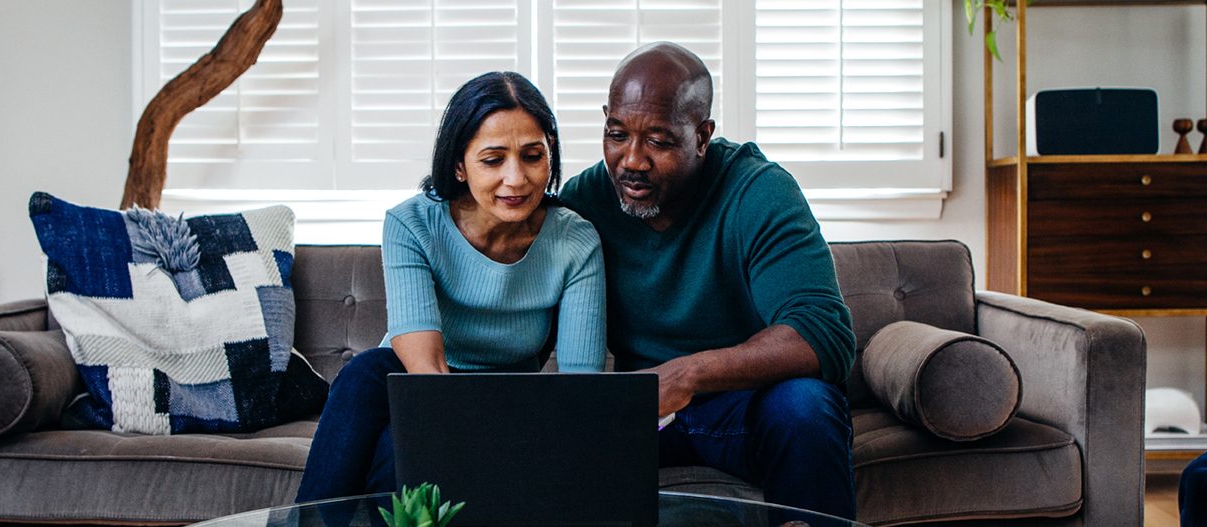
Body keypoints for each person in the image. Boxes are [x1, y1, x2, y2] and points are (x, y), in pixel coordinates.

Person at [558, 42, 858, 519]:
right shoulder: (584, 201)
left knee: (806, 405)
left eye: (658, 141)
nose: (631, 160)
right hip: (641, 415)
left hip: (743, 408)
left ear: (702, 136)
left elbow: (824, 336)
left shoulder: (757, 191)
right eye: (617, 134)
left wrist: (687, 374)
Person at [295, 71, 607, 502]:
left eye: (532, 156)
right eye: (493, 159)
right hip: (423, 387)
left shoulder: (576, 241)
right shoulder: (412, 224)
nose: (516, 179)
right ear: (460, 165)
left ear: (550, 156)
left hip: (509, 400)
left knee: (389, 456)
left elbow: (580, 392)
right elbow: (426, 373)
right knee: (365, 374)